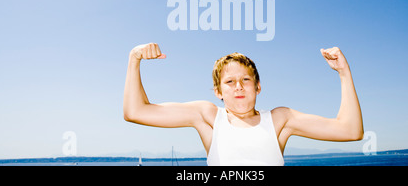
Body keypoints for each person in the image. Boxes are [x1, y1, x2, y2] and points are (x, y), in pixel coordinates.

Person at [123, 43, 363, 166]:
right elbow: (135, 112)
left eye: (245, 80)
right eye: (229, 81)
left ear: (258, 86)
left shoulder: (280, 119)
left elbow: (350, 130)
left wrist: (344, 73)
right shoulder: (207, 117)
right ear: (218, 91)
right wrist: (134, 58)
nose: (238, 86)